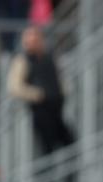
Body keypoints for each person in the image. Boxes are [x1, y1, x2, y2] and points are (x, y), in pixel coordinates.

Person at [7, 26, 74, 155]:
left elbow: (59, 77)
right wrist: (37, 94)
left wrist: (63, 90)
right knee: (46, 148)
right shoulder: (22, 60)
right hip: (41, 111)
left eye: (35, 39)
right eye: (29, 40)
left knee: (69, 143)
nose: (32, 43)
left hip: (56, 109)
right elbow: (14, 87)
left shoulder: (49, 57)